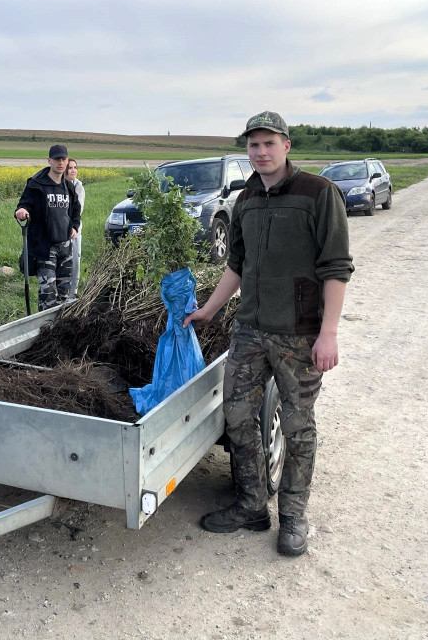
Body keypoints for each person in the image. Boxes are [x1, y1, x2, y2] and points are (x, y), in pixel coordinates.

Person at [184, 111, 353, 556]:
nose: (260, 152)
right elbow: (237, 265)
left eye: (268, 143)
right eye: (253, 145)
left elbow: (336, 268)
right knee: (238, 419)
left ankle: (294, 516)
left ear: (286, 146)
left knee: (298, 428)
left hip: (299, 335)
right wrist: (208, 310)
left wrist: (328, 334)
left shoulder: (319, 193)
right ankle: (252, 504)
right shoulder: (246, 199)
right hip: (249, 331)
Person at [15, 144, 81, 310]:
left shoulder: (69, 187)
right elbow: (24, 204)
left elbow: (75, 211)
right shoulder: (37, 184)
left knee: (64, 293)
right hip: (45, 247)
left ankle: (60, 327)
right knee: (48, 293)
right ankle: (44, 328)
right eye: (57, 159)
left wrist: (74, 226)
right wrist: (22, 211)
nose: (60, 162)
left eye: (63, 159)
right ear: (49, 160)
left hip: (65, 246)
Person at [66, 158, 84, 296]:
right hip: (59, 230)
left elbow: (78, 209)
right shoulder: (59, 185)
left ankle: (73, 292)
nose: (73, 170)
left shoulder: (79, 187)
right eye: (70, 167)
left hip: (74, 229)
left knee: (75, 261)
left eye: (75, 167)